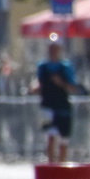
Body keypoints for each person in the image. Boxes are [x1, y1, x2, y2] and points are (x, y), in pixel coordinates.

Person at [35, 34, 80, 163]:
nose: (53, 51)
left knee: (64, 138)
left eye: (55, 48)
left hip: (62, 106)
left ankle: (62, 164)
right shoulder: (42, 66)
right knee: (50, 136)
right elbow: (39, 82)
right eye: (51, 48)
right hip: (47, 105)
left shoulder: (65, 67)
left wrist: (61, 83)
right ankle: (51, 164)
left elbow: (73, 87)